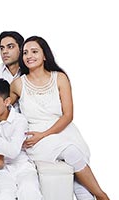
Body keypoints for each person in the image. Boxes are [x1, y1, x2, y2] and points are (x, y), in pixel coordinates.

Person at [10, 36, 109, 200]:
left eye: (34, 51)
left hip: (63, 130)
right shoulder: (18, 84)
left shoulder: (60, 77)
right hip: (36, 138)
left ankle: (95, 196)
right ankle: (102, 196)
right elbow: (0, 106)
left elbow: (68, 115)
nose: (29, 56)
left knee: (76, 170)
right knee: (72, 153)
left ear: (45, 55)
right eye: (25, 53)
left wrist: (45, 134)